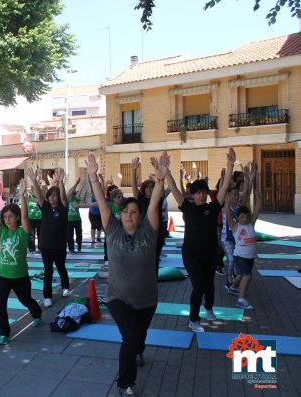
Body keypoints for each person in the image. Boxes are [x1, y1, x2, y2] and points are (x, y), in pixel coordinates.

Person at [87, 151, 166, 397]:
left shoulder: (149, 231)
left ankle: (138, 350)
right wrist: (93, 176)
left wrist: (161, 180)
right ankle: (125, 383)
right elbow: (102, 201)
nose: (129, 216)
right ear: (119, 216)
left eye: (133, 212)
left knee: (138, 338)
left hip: (147, 299)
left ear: (140, 216)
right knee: (130, 339)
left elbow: (154, 203)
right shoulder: (111, 229)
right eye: (125, 212)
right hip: (118, 297)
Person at [166, 148, 235, 333]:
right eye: (197, 192)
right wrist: (166, 172)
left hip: (210, 254)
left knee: (210, 285)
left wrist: (230, 166)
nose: (201, 195)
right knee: (199, 285)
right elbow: (173, 188)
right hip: (191, 254)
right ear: (192, 194)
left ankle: (209, 308)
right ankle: (193, 319)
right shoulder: (187, 207)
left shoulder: (213, 208)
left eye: (203, 192)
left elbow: (224, 187)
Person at [0, 178, 42, 345]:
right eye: (5, 217)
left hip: (20, 276)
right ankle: (4, 331)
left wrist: (22, 195)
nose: (7, 219)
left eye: (11, 216)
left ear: (17, 218)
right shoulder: (1, 231)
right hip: (1, 275)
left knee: (25, 300)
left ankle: (37, 313)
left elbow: (25, 215)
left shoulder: (23, 232)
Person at [25, 167, 70, 307]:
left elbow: (63, 197)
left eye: (55, 195)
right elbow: (39, 195)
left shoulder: (63, 208)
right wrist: (33, 180)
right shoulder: (45, 208)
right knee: (48, 270)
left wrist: (61, 183)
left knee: (61, 267)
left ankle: (65, 287)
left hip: (60, 245)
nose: (52, 197)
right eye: (50, 195)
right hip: (45, 246)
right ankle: (47, 296)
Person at [225, 174, 261, 310]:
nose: (245, 219)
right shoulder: (235, 227)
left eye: (246, 216)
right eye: (242, 217)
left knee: (241, 274)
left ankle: (233, 287)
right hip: (240, 257)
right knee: (247, 275)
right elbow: (228, 216)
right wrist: (227, 204)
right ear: (238, 218)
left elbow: (257, 210)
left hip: (250, 257)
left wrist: (259, 198)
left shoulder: (251, 224)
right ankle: (241, 299)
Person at [66, 176, 83, 254]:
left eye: (74, 193)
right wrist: (76, 183)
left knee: (79, 233)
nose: (72, 194)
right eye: (71, 193)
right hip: (69, 221)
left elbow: (79, 193)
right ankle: (71, 248)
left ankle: (79, 244)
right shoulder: (66, 200)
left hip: (77, 220)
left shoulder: (76, 198)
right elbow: (70, 191)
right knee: (70, 235)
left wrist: (81, 186)